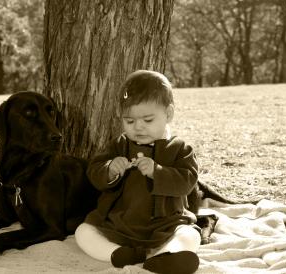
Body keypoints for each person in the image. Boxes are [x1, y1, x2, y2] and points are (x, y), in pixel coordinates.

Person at [75, 70, 201, 274]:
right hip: (120, 224)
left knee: (190, 235)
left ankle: (168, 257)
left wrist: (157, 172)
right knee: (84, 232)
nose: (138, 127)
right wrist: (110, 170)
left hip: (166, 224)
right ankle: (118, 253)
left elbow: (187, 181)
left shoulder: (179, 148)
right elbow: (94, 172)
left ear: (168, 114)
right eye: (129, 121)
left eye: (148, 120)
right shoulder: (118, 145)